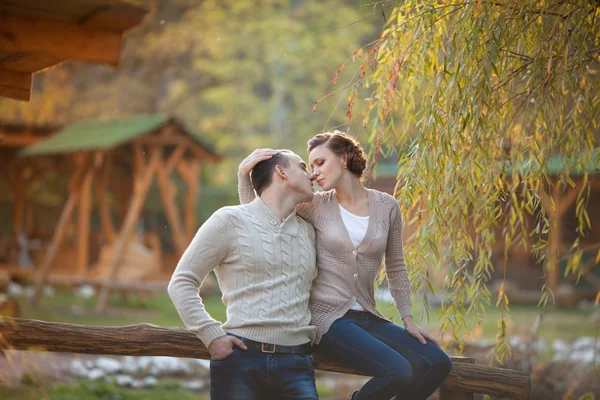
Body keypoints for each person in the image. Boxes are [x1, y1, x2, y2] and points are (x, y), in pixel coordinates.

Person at [238, 132, 452, 400]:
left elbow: (396, 266)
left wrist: (407, 319)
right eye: (310, 166)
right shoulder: (314, 205)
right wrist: (244, 176)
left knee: (438, 363)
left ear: (344, 158)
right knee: (397, 371)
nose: (313, 173)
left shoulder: (387, 206)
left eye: (320, 163)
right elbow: (259, 216)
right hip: (327, 319)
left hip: (368, 316)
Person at [169, 150, 319, 400]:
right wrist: (212, 336)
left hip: (297, 362)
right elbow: (181, 282)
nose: (311, 173)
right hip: (241, 361)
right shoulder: (228, 220)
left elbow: (269, 230)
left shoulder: (308, 231)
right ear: (281, 172)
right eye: (302, 167)